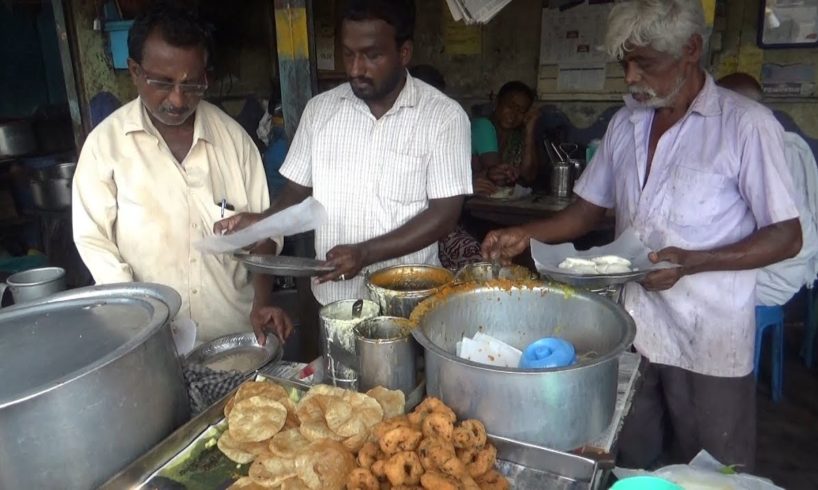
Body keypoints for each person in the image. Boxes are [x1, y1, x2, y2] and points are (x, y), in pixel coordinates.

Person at [481, 0, 801, 470]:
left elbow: (786, 235)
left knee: (714, 468)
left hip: (707, 333)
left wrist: (693, 261)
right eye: (623, 63)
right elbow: (588, 210)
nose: (630, 77)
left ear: (691, 50)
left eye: (644, 63)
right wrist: (525, 234)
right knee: (634, 456)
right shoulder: (626, 122)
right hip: (633, 327)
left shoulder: (745, 127)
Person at [215, 0, 471, 306]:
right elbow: (297, 191)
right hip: (335, 299)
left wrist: (365, 253)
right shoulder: (320, 111)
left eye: (371, 55)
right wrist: (261, 223)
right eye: (348, 53)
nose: (355, 68)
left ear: (404, 53)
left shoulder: (443, 117)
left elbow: (443, 215)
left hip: (409, 301)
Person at [72, 3, 292, 346]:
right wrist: (139, 318)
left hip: (232, 339)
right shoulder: (106, 146)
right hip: (148, 342)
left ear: (207, 77)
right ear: (134, 71)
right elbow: (94, 241)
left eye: (191, 85)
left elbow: (264, 235)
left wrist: (262, 302)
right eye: (163, 82)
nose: (177, 99)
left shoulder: (234, 142)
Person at [717, 72, 818, 307]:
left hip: (772, 276)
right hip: (781, 268)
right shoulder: (781, 141)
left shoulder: (766, 150)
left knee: (678, 287)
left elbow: (781, 238)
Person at [472, 81, 539, 190]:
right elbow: (498, 178)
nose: (513, 114)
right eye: (509, 106)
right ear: (497, 102)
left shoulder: (518, 137)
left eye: (521, 111)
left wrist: (530, 129)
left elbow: (529, 176)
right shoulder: (482, 127)